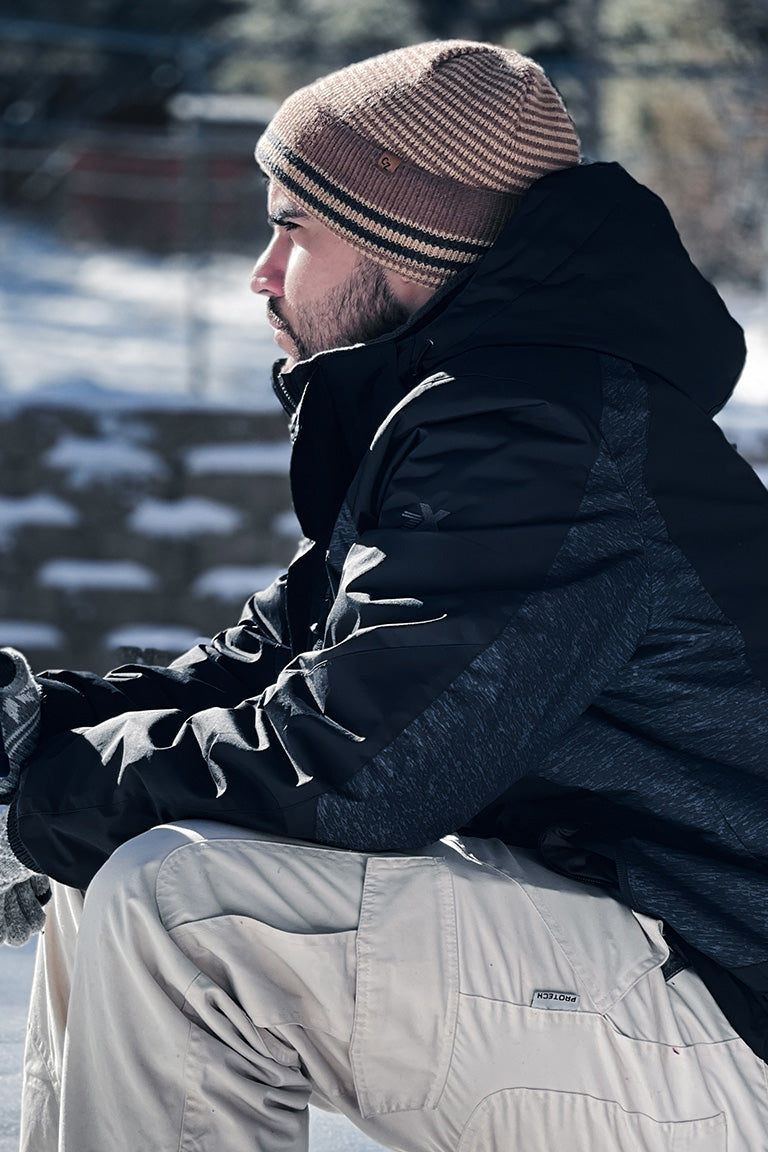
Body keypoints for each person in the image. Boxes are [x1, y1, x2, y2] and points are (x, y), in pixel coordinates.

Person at [1, 37, 768, 1151]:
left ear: (409, 240)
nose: (261, 273)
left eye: (292, 227)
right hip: (654, 958)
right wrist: (31, 747)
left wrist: (38, 805)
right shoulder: (499, 405)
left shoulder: (536, 433)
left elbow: (359, 769)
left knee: (183, 905)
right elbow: (268, 663)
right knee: (117, 862)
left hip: (726, 1011)